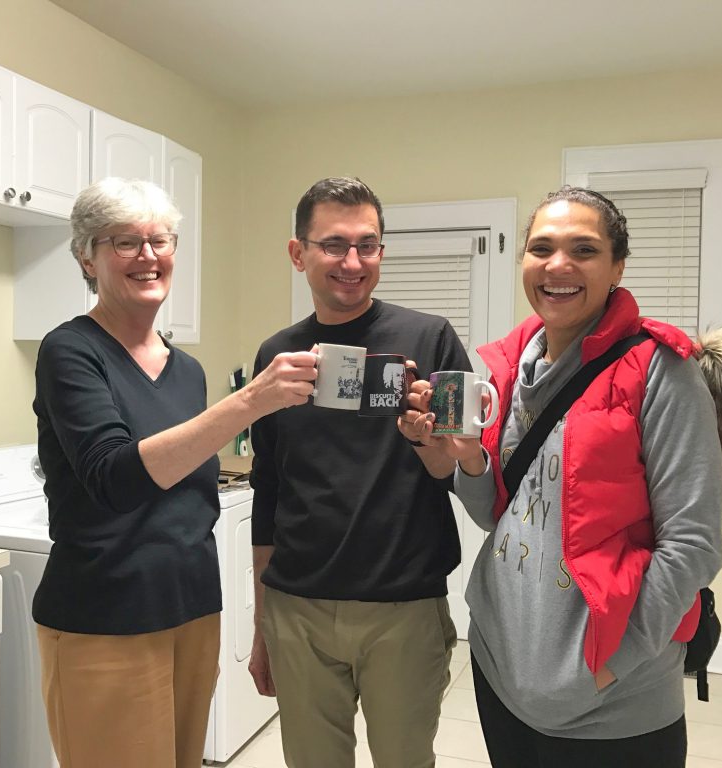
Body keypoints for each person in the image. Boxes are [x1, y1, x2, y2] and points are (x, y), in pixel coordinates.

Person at [402, 186, 722, 767]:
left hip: (611, 699)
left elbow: (693, 546)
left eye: (583, 249)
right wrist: (469, 458)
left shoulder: (663, 372)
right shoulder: (509, 366)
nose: (559, 265)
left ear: (617, 267)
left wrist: (606, 665)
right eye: (542, 248)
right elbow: (495, 515)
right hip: (502, 669)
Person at [32, 177, 317, 768]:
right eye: (124, 242)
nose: (148, 255)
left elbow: (192, 493)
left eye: (160, 240)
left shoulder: (185, 370)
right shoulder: (71, 351)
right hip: (105, 617)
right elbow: (115, 477)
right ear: (87, 256)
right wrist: (249, 402)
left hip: (191, 608)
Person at [248, 176, 470, 768]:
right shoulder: (277, 357)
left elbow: (460, 469)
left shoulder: (431, 338)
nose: (353, 262)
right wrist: (261, 624)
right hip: (297, 608)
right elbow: (267, 495)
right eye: (333, 245)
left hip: (403, 606)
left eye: (367, 245)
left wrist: (427, 438)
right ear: (299, 253)